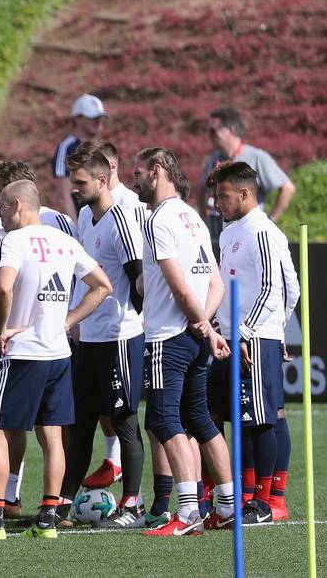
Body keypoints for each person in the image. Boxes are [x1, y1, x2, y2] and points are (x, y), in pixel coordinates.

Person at [0, 180, 111, 540]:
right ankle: (48, 519)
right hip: (58, 353)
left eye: (0, 206)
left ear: (17, 205)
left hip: (23, 352)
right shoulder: (65, 241)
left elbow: (3, 287)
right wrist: (68, 320)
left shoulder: (13, 241)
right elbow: (103, 286)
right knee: (52, 436)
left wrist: (1, 328)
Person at [0, 160, 74, 518]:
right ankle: (14, 499)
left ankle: (9, 497)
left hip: (15, 329)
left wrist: (65, 319)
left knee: (13, 421)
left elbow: (73, 274)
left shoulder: (37, 223)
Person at [131, 147, 236, 536]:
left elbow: (178, 285)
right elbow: (216, 283)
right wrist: (205, 325)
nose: (134, 179)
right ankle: (226, 505)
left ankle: (189, 513)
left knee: (162, 418)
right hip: (192, 335)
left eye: (138, 172)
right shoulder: (192, 216)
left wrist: (203, 327)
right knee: (200, 418)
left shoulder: (158, 219)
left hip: (168, 337)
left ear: (158, 171)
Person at [58, 149, 149, 529]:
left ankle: (133, 506)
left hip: (119, 337)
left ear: (100, 179)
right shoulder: (83, 216)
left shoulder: (123, 220)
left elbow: (139, 281)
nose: (74, 189)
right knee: (79, 423)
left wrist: (131, 322)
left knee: (124, 419)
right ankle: (61, 501)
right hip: (90, 339)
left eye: (80, 182)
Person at [210, 162, 300, 525]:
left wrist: (265, 331)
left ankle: (266, 502)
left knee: (262, 419)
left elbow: (277, 288)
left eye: (223, 195)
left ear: (245, 193)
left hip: (253, 337)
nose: (217, 202)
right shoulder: (228, 233)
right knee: (240, 419)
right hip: (230, 338)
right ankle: (247, 496)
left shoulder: (263, 231)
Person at [199, 107, 296, 239]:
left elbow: (287, 188)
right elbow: (202, 191)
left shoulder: (256, 156)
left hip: (248, 236)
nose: (209, 136)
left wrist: (270, 221)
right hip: (220, 237)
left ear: (231, 130)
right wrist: (204, 222)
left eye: (213, 131)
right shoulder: (213, 159)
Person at [53, 93, 106, 218]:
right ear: (77, 118)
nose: (98, 121)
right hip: (82, 223)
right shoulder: (67, 148)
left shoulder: (103, 148)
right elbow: (63, 194)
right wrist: (75, 230)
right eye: (92, 117)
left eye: (100, 117)